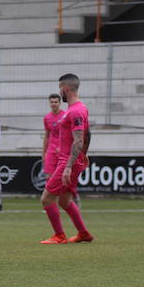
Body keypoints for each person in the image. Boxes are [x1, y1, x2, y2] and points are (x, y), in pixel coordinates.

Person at [40, 74, 94, 244]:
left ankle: (59, 235)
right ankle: (83, 233)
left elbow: (79, 139)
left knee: (46, 198)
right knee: (64, 200)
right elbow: (88, 134)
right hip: (70, 160)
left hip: (66, 163)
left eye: (60, 88)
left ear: (66, 88)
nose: (59, 92)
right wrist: (83, 154)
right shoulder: (77, 109)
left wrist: (69, 166)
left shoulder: (76, 110)